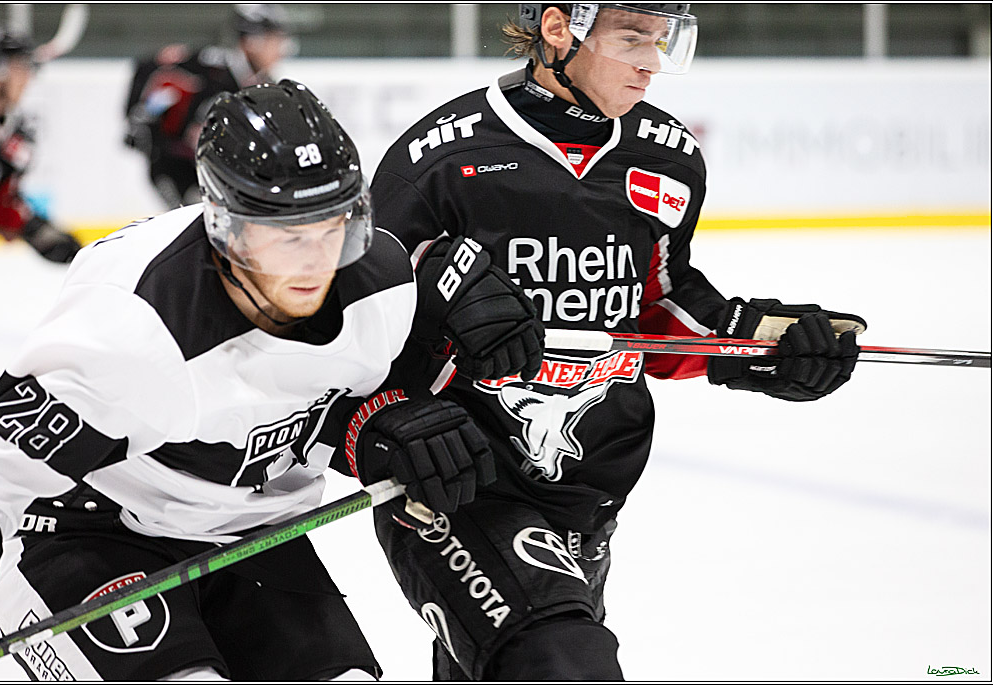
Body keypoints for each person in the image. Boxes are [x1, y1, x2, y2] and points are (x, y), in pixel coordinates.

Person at [0, 79, 535, 681]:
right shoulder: (132, 328)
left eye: (332, 227)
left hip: (252, 533)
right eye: (287, 237)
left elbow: (330, 408)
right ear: (225, 227)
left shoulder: (383, 289)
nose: (316, 263)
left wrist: (382, 429)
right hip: (87, 529)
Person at [368, 3, 866, 680]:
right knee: (559, 661)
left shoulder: (667, 157)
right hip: (461, 483)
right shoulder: (442, 158)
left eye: (661, 42)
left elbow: (657, 305)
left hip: (591, 489)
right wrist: (438, 301)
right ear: (558, 30)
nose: (651, 64)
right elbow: (361, 320)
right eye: (632, 39)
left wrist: (758, 346)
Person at [124, 3, 291, 209]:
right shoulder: (208, 69)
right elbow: (154, 75)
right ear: (253, 41)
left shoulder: (263, 84)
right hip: (176, 168)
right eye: (276, 40)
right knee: (199, 218)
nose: (282, 50)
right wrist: (142, 123)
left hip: (217, 174)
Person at [0, 24, 81, 263]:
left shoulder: (11, 132)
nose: (28, 77)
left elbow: (1, 198)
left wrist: (37, 232)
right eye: (20, 66)